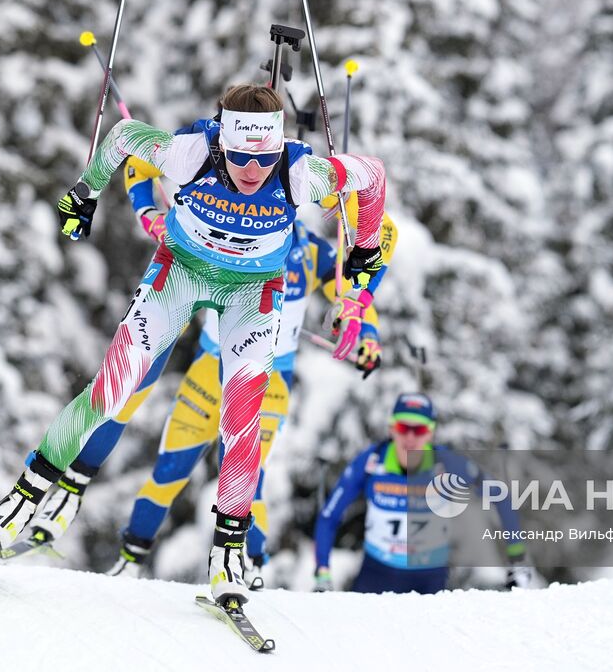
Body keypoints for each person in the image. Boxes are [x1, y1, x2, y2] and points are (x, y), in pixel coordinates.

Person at [0, 83, 387, 604]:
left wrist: (366, 249)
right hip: (179, 275)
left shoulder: (301, 172)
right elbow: (123, 135)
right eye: (239, 156)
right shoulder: (191, 152)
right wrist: (85, 193)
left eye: (263, 157)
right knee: (110, 390)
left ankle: (229, 551)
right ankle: (27, 495)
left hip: (251, 293)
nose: (252, 170)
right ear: (223, 142)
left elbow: (372, 177)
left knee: (243, 418)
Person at [21, 180, 398, 585]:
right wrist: (150, 213)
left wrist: (364, 329)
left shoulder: (313, 254)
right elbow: (148, 171)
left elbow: (379, 241)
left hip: (266, 379)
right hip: (208, 371)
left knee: (247, 475)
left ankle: (248, 567)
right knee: (170, 469)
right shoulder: (229, 231)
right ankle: (127, 558)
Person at [313, 394, 534, 594]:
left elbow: (499, 495)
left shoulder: (446, 464)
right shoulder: (372, 461)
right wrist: (323, 573)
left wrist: (517, 559)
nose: (410, 437)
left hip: (427, 579)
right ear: (391, 428)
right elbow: (329, 515)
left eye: (418, 430)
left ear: (430, 432)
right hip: (376, 574)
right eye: (402, 428)